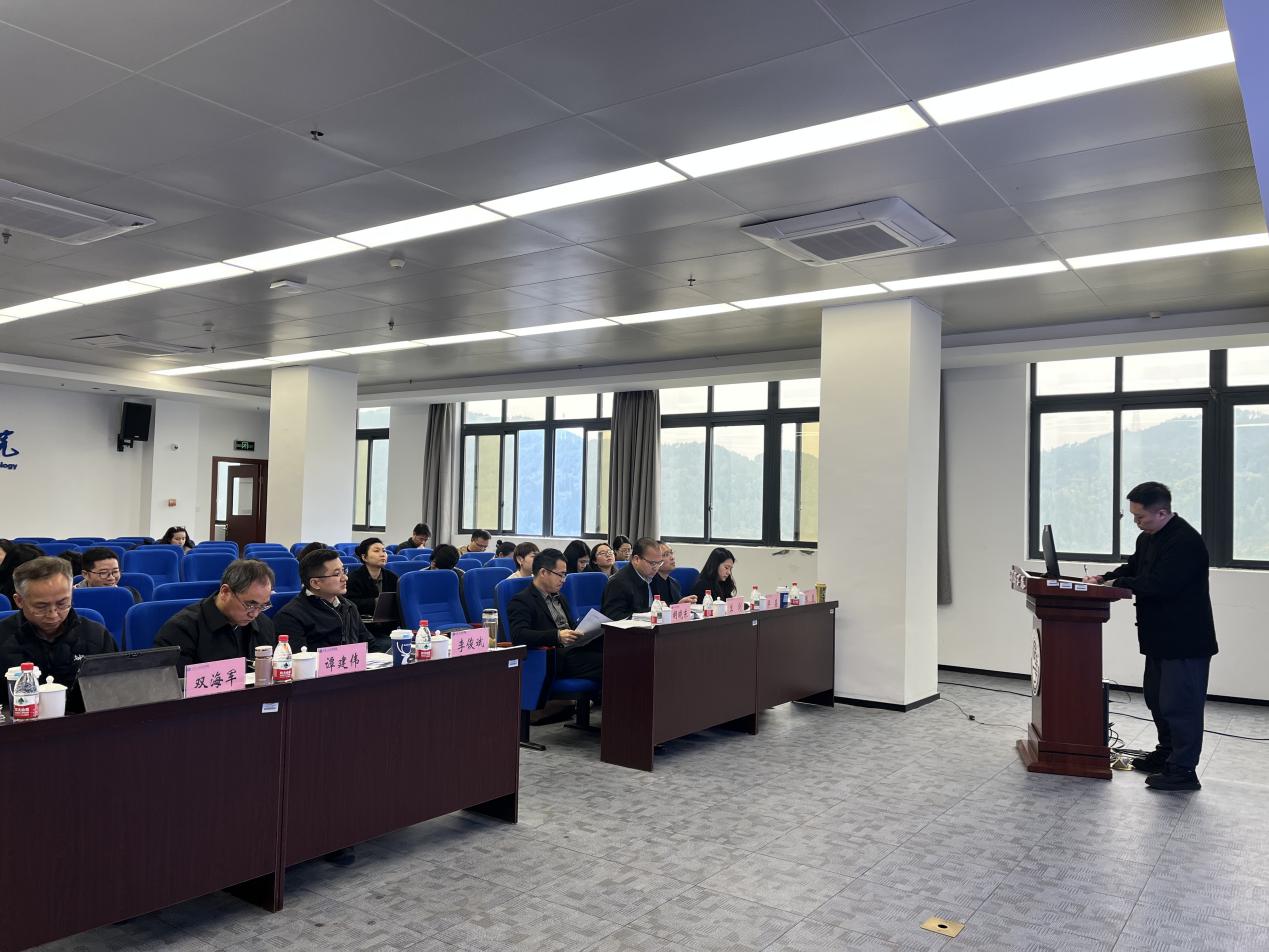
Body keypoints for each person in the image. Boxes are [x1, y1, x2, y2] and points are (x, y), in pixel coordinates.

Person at [1083, 481, 1217, 792]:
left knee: (1181, 706)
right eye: (1133, 517)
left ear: (1162, 513)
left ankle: (1183, 770)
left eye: (1140, 517)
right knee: (1157, 699)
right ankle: (1166, 754)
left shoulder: (1185, 542)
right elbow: (1133, 567)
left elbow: (1160, 584)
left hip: (1185, 641)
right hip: (1159, 638)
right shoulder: (1148, 537)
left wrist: (1116, 585)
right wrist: (1104, 577)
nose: (1136, 523)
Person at [0, 557, 117, 711]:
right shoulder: (3, 637)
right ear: (19, 601)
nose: (53, 614)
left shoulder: (96, 635)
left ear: (71, 593)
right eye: (41, 606)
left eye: (62, 603)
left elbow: (113, 693)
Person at [154, 559, 276, 674]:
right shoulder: (181, 629)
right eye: (250, 604)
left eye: (262, 606)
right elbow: (172, 683)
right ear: (225, 592)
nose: (254, 614)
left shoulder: (264, 624)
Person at [507, 548, 601, 680]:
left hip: (573, 650)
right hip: (552, 657)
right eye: (560, 575)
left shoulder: (560, 597)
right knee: (609, 662)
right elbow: (519, 635)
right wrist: (557, 636)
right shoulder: (522, 600)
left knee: (615, 653)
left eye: (565, 575)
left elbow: (570, 626)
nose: (563, 580)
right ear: (543, 572)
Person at [272, 548, 379, 652]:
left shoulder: (349, 606)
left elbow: (370, 645)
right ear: (315, 583)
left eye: (343, 571)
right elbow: (299, 659)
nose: (345, 578)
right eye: (337, 574)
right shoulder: (290, 616)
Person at [345, 538, 398, 644]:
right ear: (364, 557)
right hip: (362, 630)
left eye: (384, 551)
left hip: (388, 629)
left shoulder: (392, 577)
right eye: (376, 551)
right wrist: (375, 602)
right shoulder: (353, 579)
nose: (382, 554)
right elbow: (349, 603)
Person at [601, 537, 665, 621]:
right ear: (636, 559)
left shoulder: (655, 578)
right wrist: (650, 612)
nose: (656, 568)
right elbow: (613, 617)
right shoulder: (618, 582)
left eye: (659, 563)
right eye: (652, 563)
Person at [76, 547, 142, 603]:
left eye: (115, 571)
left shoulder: (130, 593)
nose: (111, 578)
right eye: (103, 573)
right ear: (85, 574)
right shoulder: (73, 597)